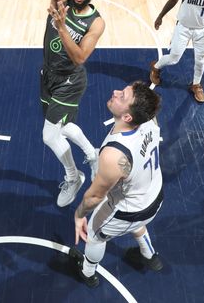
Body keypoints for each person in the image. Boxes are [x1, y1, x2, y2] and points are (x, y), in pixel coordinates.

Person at [43, 0, 105, 207]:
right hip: (49, 75)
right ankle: (92, 153)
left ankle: (74, 176)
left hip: (70, 82)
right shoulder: (60, 0)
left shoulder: (97, 22)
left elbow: (80, 56)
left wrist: (61, 27)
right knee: (63, 126)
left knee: (49, 136)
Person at [69, 82, 163, 288]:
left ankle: (87, 272)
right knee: (137, 224)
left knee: (94, 235)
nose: (115, 92)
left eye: (122, 96)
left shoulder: (115, 155)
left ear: (128, 117)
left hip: (129, 210)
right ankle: (149, 255)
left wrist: (79, 215)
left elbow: (94, 197)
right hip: (154, 195)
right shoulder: (149, 119)